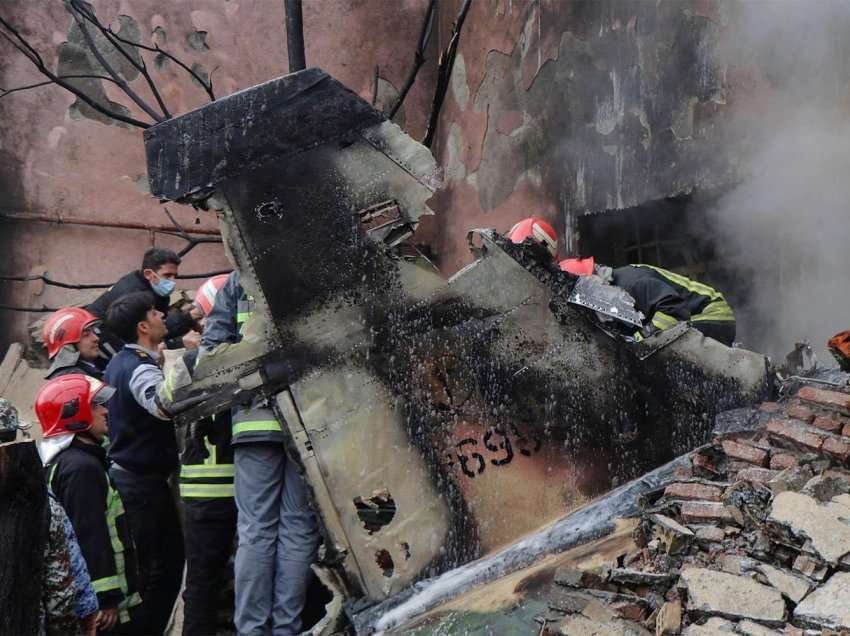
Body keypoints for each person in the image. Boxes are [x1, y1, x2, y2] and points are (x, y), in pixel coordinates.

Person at [201, 271, 319, 636]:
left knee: (256, 530)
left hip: (255, 420)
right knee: (298, 528)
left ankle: (251, 631)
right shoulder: (312, 267)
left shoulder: (238, 282)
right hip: (312, 418)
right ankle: (286, 629)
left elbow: (211, 355)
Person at [103, 291, 184, 635]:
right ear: (142, 326)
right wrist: (185, 365)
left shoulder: (119, 362)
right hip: (141, 486)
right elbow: (161, 406)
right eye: (154, 312)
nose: (162, 315)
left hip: (134, 479)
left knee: (155, 564)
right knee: (157, 568)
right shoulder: (138, 367)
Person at [36, 374, 141, 634]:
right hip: (103, 612)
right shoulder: (82, 469)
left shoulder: (71, 461)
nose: (105, 411)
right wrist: (104, 599)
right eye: (96, 405)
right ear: (75, 413)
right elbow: (89, 535)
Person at [176, 274, 237, 636]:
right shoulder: (247, 355)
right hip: (240, 486)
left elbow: (162, 405)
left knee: (200, 581)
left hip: (198, 491)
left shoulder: (189, 361)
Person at [560, 257, 736, 346]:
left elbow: (673, 310)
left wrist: (642, 337)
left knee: (661, 346)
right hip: (689, 319)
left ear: (595, 281)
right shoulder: (613, 296)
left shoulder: (631, 283)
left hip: (713, 315)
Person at [87, 248, 201, 361]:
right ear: (148, 274)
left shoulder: (154, 288)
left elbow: (160, 325)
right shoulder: (133, 296)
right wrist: (190, 318)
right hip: (102, 339)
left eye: (175, 276)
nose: (172, 282)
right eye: (167, 275)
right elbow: (151, 332)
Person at [42, 307, 103, 380]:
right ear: (68, 346)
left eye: (94, 332)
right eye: (86, 335)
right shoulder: (73, 378)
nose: (96, 338)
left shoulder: (83, 370)